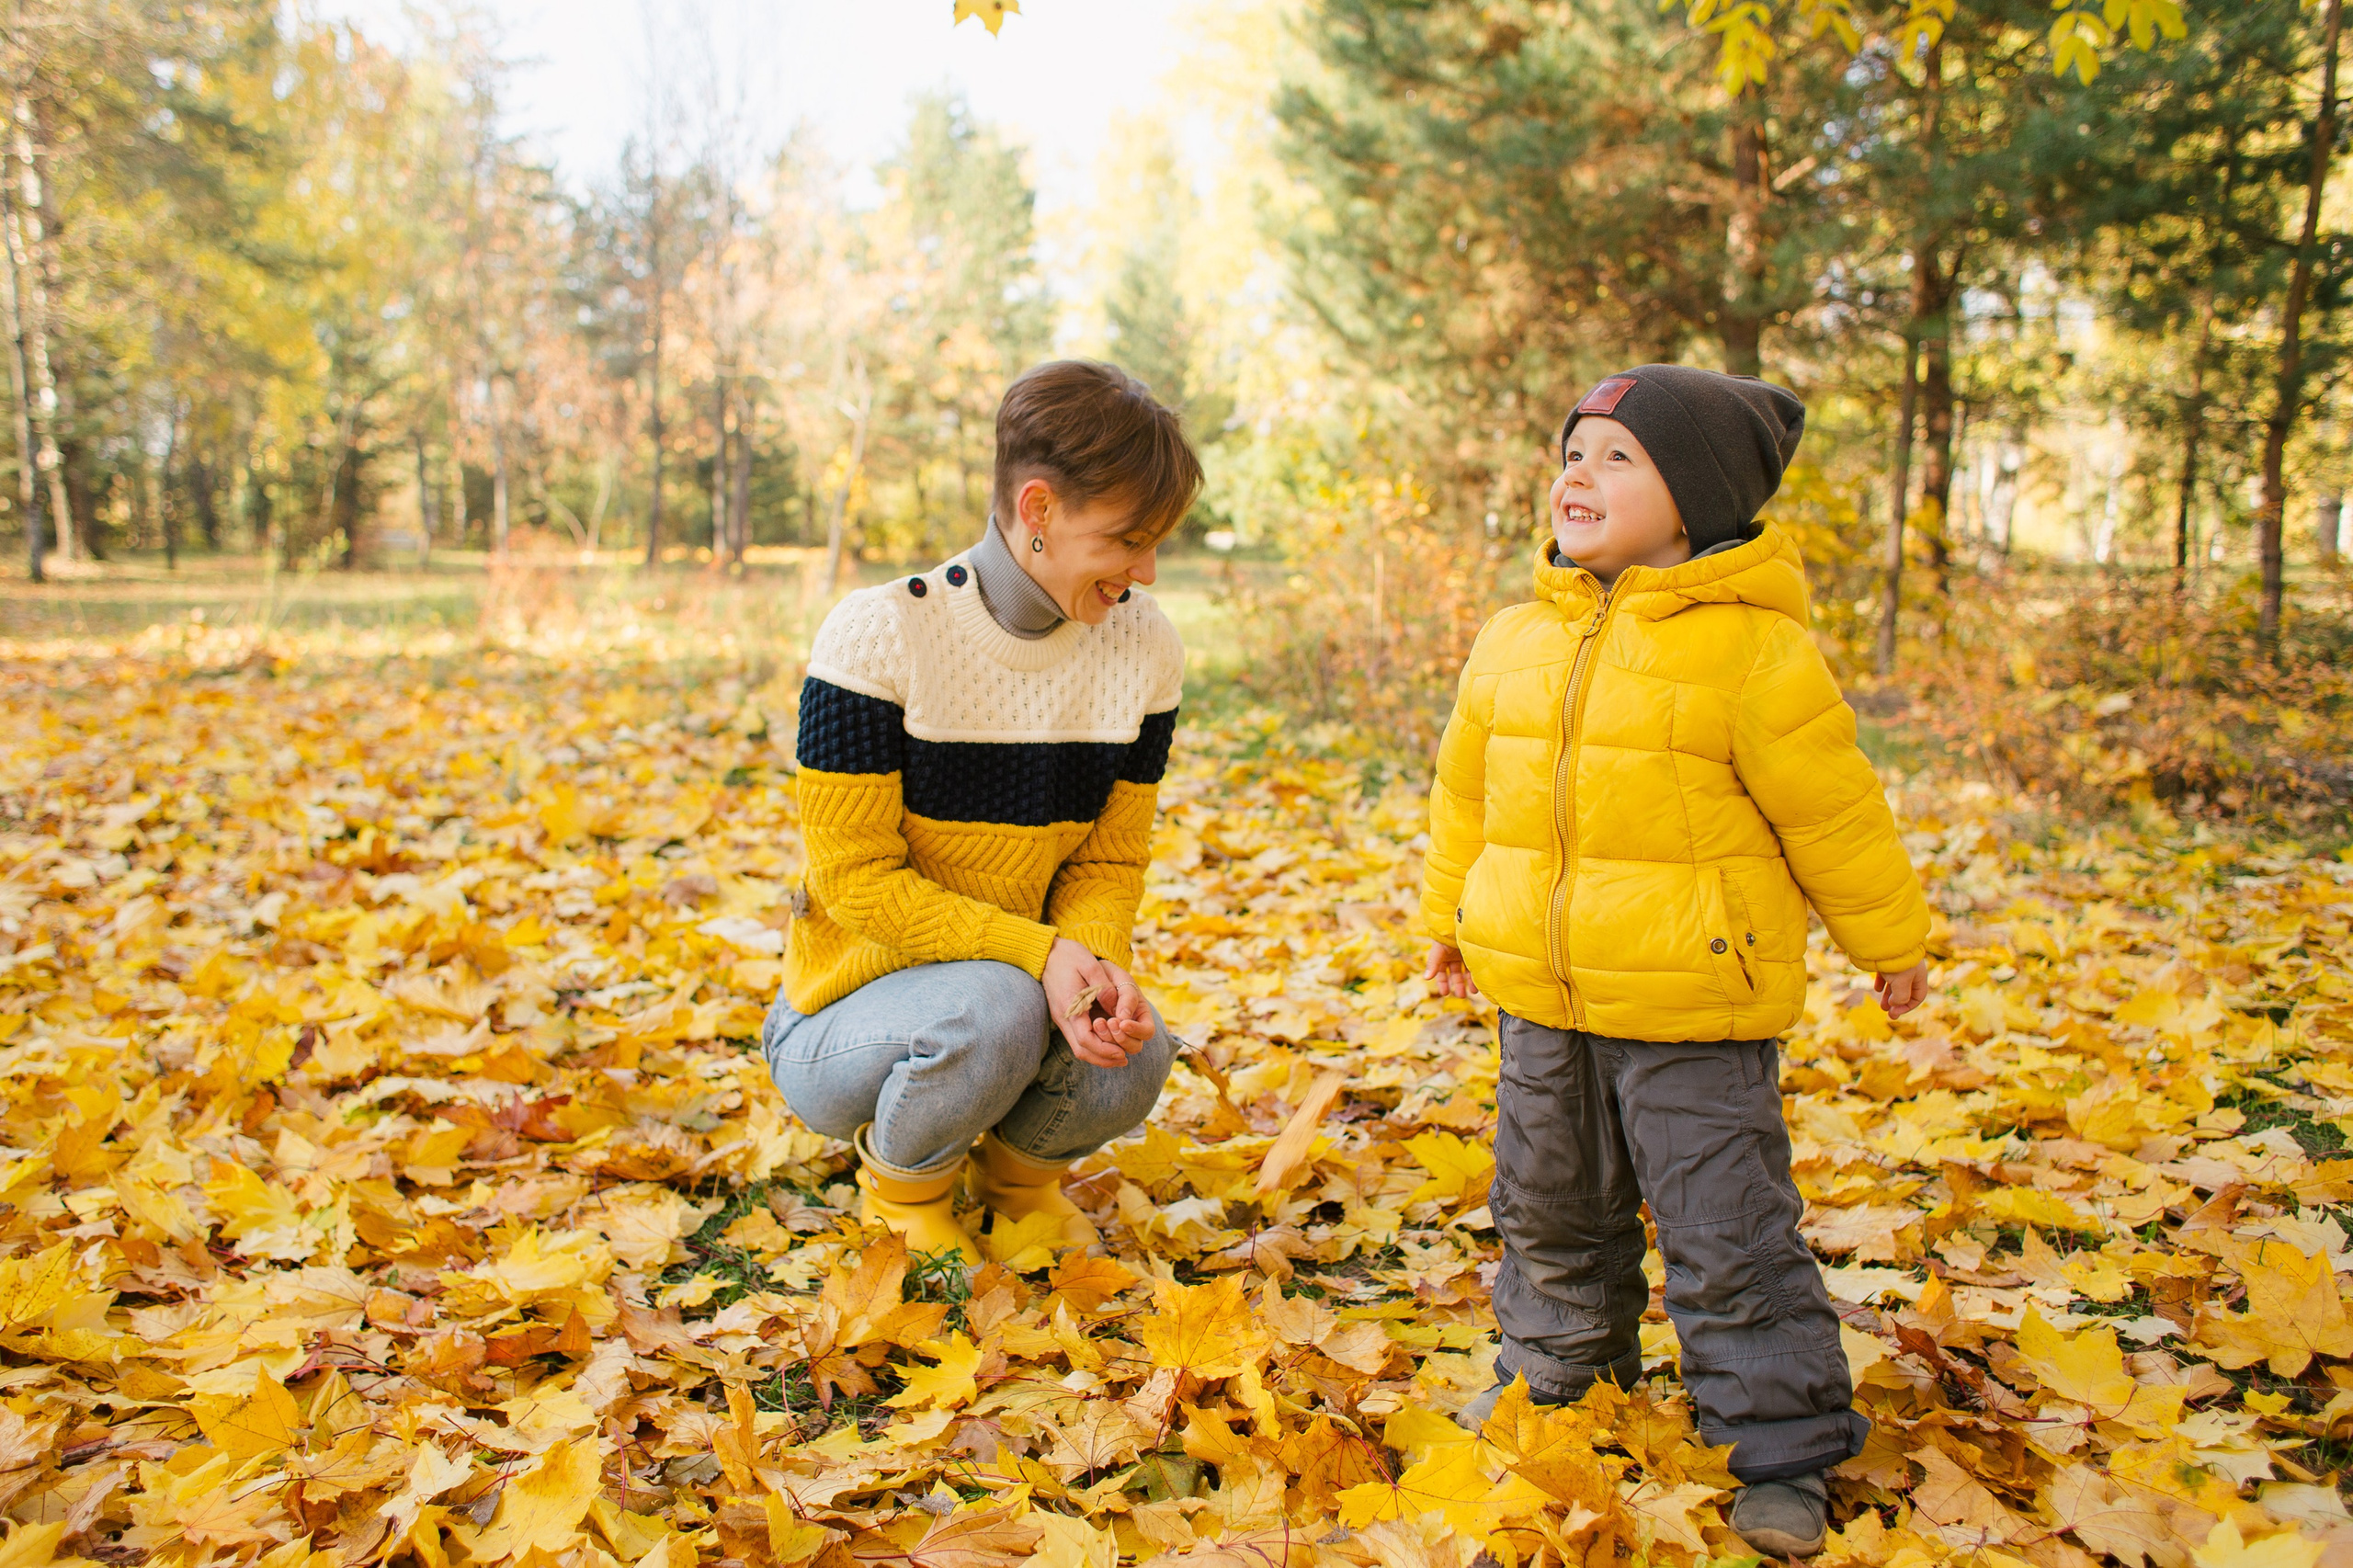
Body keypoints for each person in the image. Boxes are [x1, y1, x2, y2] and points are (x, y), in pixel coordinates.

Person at [1418, 365, 1931, 1559]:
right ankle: (1560, 1385)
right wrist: (1447, 916)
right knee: (1547, 1207)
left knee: (1728, 1226)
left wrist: (1890, 942)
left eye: (1616, 457)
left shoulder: (1755, 654)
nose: (1577, 474)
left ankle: (1782, 1445)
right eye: (1575, 450)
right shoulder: (1514, 639)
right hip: (1542, 998)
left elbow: (1836, 813)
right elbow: (1464, 797)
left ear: (1693, 499)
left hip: (1697, 1002)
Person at [765, 360, 1200, 1267]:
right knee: (994, 1002)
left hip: (1015, 992)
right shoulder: (880, 635)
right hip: (843, 1015)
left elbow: (1106, 863)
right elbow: (856, 885)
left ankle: (1017, 1183)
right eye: (1126, 538)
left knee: (1140, 1045)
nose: (1146, 569)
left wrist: (1092, 971)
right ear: (1038, 509)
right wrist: (1041, 954)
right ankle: (906, 1184)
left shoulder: (1144, 646)